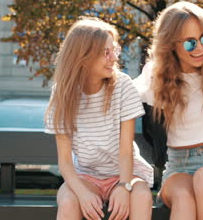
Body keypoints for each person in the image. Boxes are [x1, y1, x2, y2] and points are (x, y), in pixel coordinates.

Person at [134, 1, 203, 220]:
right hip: (178, 167)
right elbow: (121, 96)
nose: (200, 48)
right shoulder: (155, 75)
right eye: (190, 43)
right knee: (185, 197)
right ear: (171, 45)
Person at [45, 17, 153, 220]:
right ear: (82, 56)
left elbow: (125, 151)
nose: (113, 58)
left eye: (115, 50)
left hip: (125, 173)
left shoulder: (123, 86)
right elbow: (66, 163)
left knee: (141, 196)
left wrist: (124, 185)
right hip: (85, 176)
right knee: (68, 201)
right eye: (106, 52)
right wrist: (83, 194)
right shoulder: (62, 95)